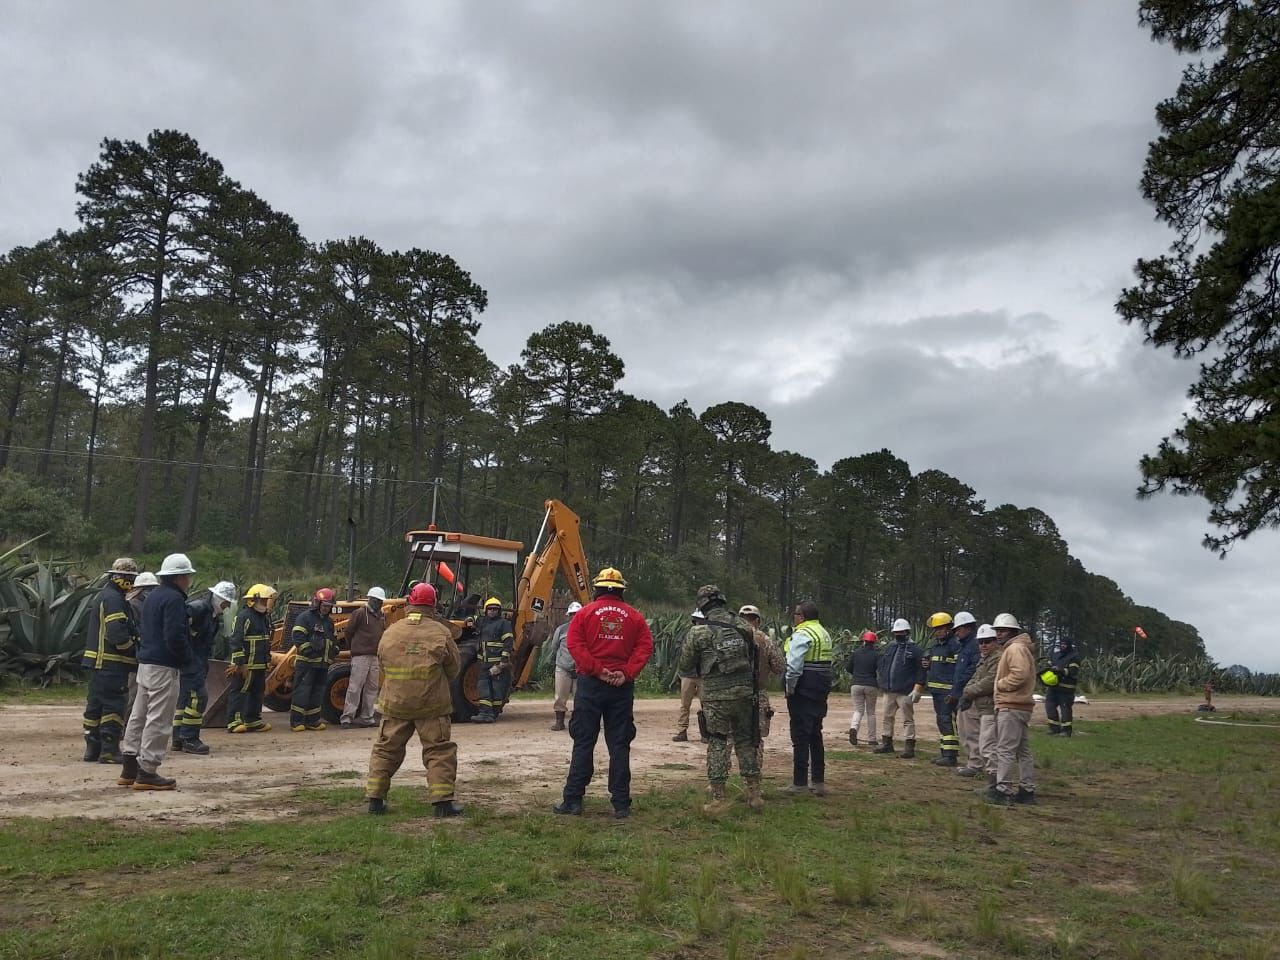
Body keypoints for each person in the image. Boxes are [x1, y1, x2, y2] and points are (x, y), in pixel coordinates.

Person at [554, 567, 653, 818]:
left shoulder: (584, 614)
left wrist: (597, 670)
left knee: (584, 741)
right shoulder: (635, 617)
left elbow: (575, 644)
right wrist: (627, 673)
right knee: (619, 745)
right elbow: (645, 647)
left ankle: (573, 800)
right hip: (621, 688)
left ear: (597, 589)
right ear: (621, 591)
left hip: (590, 685)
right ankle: (621, 804)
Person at [365, 583, 464, 817]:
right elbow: (454, 668)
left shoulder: (391, 631)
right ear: (434, 603)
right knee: (438, 751)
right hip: (432, 705)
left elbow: (382, 662)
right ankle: (442, 803)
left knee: (386, 750)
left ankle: (375, 800)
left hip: (395, 704)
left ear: (410, 602)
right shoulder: (440, 632)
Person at [678, 586, 761, 815]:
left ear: (702, 606)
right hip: (744, 693)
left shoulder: (699, 632)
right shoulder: (743, 625)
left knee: (717, 742)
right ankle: (754, 793)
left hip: (715, 696)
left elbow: (684, 666)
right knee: (746, 741)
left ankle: (717, 798)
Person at [119, 553, 196, 791]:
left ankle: (129, 767)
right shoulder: (174, 600)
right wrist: (187, 660)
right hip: (164, 665)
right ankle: (148, 771)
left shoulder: (152, 598)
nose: (189, 581)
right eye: (187, 577)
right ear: (180, 577)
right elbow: (175, 635)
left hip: (146, 663)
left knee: (138, 715)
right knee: (159, 718)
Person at [81, 558, 140, 764]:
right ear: (120, 578)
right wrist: (133, 651)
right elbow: (116, 633)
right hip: (112, 664)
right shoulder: (114, 599)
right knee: (114, 705)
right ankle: (109, 751)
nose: (131, 583)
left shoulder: (104, 595)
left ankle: (92, 749)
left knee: (96, 705)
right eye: (130, 578)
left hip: (99, 664)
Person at [173, 580, 235, 755]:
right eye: (226, 603)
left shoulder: (212, 615)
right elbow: (179, 628)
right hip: (191, 660)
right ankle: (189, 738)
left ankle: (178, 737)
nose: (227, 607)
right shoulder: (199, 609)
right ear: (219, 599)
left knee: (185, 699)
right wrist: (186, 654)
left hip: (197, 660)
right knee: (197, 697)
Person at [783, 599, 833, 796]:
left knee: (800, 735)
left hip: (804, 687)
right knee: (815, 733)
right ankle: (818, 781)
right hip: (821, 686)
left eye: (795, 614)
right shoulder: (824, 633)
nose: (794, 617)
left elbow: (794, 666)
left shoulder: (803, 633)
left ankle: (800, 782)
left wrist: (789, 688)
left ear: (801, 616)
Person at [990, 613, 1036, 806]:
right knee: (1022, 751)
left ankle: (1004, 790)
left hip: (1011, 705)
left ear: (1013, 631)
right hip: (1020, 706)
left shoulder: (1015, 648)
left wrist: (1001, 685)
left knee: (1005, 750)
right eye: (998, 631)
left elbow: (1020, 674)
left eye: (1003, 630)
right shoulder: (1019, 648)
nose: (999, 634)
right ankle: (1026, 789)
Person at [739, 603, 785, 772]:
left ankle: (718, 781)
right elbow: (779, 666)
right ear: (757, 621)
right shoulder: (765, 639)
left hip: (732, 694)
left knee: (727, 737)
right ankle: (754, 779)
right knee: (756, 738)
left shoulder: (729, 637)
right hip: (758, 694)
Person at [227, 583, 278, 733]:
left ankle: (253, 720)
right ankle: (234, 721)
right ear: (252, 600)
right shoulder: (244, 617)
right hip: (246, 665)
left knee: (257, 692)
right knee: (240, 692)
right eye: (263, 600)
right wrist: (239, 664)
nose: (265, 603)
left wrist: (267, 661)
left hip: (259, 665)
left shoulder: (263, 618)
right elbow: (236, 640)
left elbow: (266, 641)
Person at [874, 618, 925, 758]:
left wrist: (918, 688)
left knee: (908, 719)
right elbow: (883, 665)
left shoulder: (915, 650)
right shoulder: (890, 648)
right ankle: (887, 744)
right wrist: (882, 681)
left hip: (906, 691)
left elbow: (922, 670)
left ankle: (909, 746)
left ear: (907, 632)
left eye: (901, 632)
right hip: (889, 690)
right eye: (896, 632)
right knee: (887, 717)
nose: (898, 634)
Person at [290, 588, 337, 731]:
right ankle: (297, 722)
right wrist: (308, 651)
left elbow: (332, 639)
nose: (326, 608)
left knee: (318, 692)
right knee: (303, 691)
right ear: (317, 603)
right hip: (307, 663)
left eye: (329, 606)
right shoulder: (305, 618)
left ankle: (313, 721)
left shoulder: (329, 622)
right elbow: (298, 636)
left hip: (322, 665)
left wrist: (334, 651)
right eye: (324, 606)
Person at [961, 624, 1000, 792]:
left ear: (996, 641)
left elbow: (990, 682)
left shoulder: (998, 659)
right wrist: (967, 690)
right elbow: (975, 679)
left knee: (988, 745)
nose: (983, 645)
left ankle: (995, 783)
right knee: (983, 742)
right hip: (981, 705)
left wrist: (969, 692)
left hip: (990, 707)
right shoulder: (984, 659)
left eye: (988, 641)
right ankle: (992, 780)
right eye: (981, 642)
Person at [341, 586, 387, 728]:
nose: (379, 603)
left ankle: (367, 717)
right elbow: (349, 631)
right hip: (361, 656)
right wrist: (355, 647)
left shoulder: (381, 616)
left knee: (372, 688)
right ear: (371, 599)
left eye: (381, 601)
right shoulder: (360, 613)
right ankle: (347, 717)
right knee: (355, 687)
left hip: (374, 656)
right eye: (377, 601)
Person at [923, 611, 962, 767]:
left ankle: (950, 755)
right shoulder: (935, 646)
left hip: (948, 691)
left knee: (947, 721)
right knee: (941, 721)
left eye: (940, 628)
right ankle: (944, 752)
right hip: (936, 690)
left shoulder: (954, 645)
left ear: (949, 628)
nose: (937, 632)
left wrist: (955, 690)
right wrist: (927, 664)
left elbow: (960, 667)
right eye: (935, 629)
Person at [948, 612, 983, 776]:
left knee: (971, 731)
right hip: (964, 693)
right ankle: (973, 761)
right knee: (964, 730)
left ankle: (976, 764)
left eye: (958, 629)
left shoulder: (974, 646)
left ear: (968, 628)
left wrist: (960, 691)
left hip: (970, 695)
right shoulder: (965, 646)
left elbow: (971, 671)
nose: (956, 633)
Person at [123, 571, 158, 723]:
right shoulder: (133, 605)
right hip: (134, 655)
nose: (150, 592)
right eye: (148, 588)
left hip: (143, 655)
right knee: (133, 692)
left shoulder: (146, 605)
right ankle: (125, 724)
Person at [473, 597, 514, 723]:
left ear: (499, 611)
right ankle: (485, 713)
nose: (492, 611)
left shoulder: (504, 623)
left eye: (495, 609)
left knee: (497, 688)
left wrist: (502, 663)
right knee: (483, 687)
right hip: (484, 663)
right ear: (485, 610)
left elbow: (508, 642)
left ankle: (493, 713)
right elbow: (474, 620)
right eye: (490, 609)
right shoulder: (482, 621)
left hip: (497, 662)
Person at [545, 601, 583, 731]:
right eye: (572, 614)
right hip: (563, 668)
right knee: (560, 696)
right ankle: (559, 722)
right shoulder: (561, 630)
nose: (575, 617)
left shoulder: (587, 630)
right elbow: (554, 647)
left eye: (577, 614)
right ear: (569, 615)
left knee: (581, 697)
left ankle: (579, 723)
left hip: (581, 669)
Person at [672, 609, 706, 742]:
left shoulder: (709, 635)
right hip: (689, 674)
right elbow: (680, 651)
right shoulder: (687, 634)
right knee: (685, 705)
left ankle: (706, 733)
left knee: (706, 705)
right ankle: (682, 731)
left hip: (703, 674)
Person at [845, 630, 880, 747]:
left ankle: (853, 728)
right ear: (874, 642)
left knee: (858, 710)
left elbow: (848, 668)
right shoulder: (876, 654)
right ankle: (872, 739)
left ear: (863, 641)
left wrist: (856, 673)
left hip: (856, 684)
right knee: (871, 713)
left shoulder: (856, 653)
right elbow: (880, 669)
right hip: (871, 685)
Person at [1041, 637, 1081, 736]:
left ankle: (1066, 730)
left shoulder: (1074, 657)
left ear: (1069, 645)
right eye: (1061, 644)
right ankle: (1053, 728)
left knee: (1065, 709)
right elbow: (1049, 666)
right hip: (1053, 687)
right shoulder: (1056, 655)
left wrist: (1060, 670)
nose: (1062, 646)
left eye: (1065, 644)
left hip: (1067, 688)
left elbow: (1073, 671)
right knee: (1049, 706)